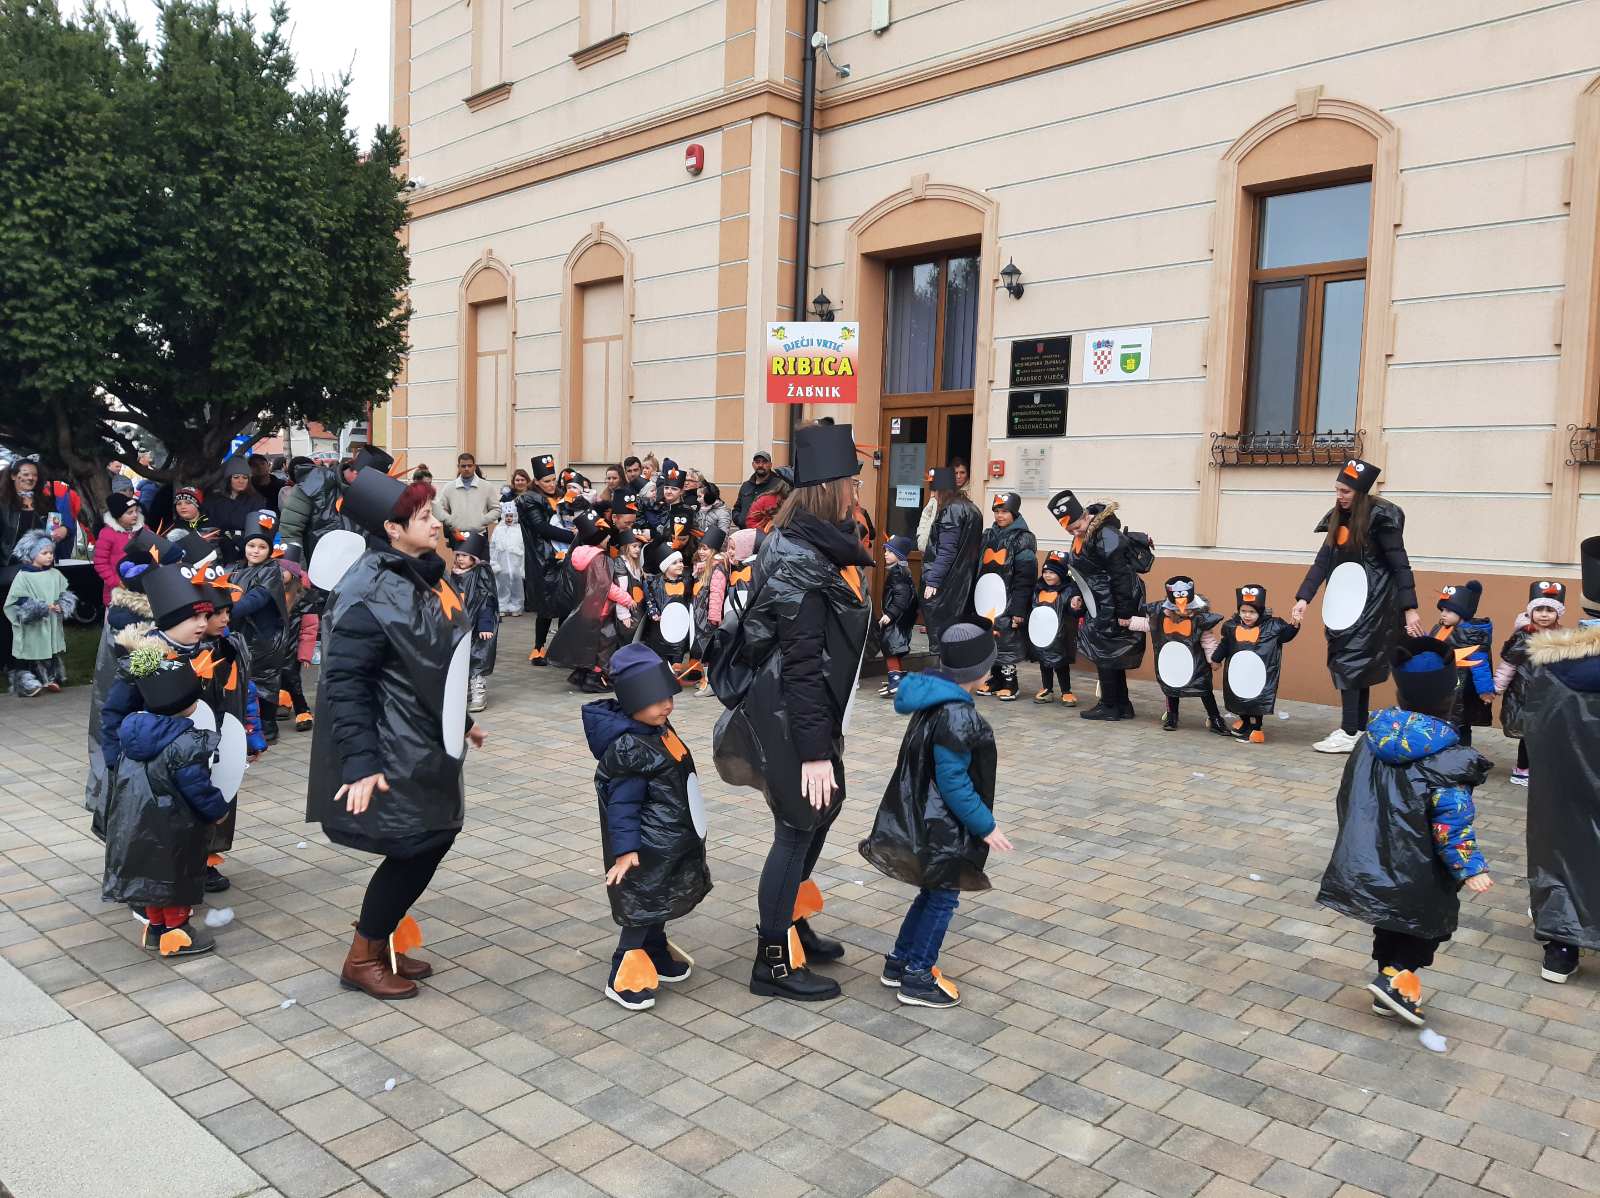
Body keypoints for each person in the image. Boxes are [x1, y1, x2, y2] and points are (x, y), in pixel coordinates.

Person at [306, 469, 488, 1000]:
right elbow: (344, 681)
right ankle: (362, 957)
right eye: (425, 516)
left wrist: (464, 720)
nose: (436, 523)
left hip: (424, 739)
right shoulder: (366, 591)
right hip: (394, 745)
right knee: (417, 844)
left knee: (433, 835)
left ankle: (380, 941)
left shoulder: (420, 573)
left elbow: (428, 660)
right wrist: (360, 761)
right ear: (391, 528)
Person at [713, 422, 872, 1002]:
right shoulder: (802, 559)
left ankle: (794, 921)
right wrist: (812, 751)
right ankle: (772, 962)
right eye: (852, 484)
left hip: (811, 709)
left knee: (825, 810)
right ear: (829, 488)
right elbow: (802, 662)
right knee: (797, 824)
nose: (858, 493)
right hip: (789, 712)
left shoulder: (814, 542)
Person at [1317, 636, 1493, 1025]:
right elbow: (1451, 820)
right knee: (1428, 928)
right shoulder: (1447, 758)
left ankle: (1389, 986)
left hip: (1377, 856)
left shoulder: (1370, 740)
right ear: (1449, 700)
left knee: (1390, 920)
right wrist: (1470, 867)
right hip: (1422, 867)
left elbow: (1349, 795)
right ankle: (1394, 979)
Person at [859, 623, 1014, 1008]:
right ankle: (917, 976)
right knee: (943, 898)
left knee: (932, 891)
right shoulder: (958, 714)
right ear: (980, 672)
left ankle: (899, 961)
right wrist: (987, 826)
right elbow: (954, 783)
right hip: (942, 824)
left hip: (924, 814)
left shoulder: (935, 700)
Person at [584, 644, 711, 1010]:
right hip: (647, 848)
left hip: (668, 841)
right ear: (632, 701)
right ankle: (623, 971)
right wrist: (625, 851)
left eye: (668, 697)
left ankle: (655, 951)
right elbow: (622, 805)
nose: (666, 706)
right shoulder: (630, 747)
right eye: (656, 701)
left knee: (658, 901)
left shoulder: (655, 729)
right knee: (643, 905)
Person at [100, 656, 229, 957]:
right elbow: (197, 787)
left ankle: (155, 929)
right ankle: (177, 933)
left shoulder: (130, 736)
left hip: (136, 823)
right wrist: (218, 810)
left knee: (151, 879)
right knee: (175, 880)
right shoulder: (183, 742)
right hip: (173, 826)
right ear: (184, 704)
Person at [1292, 459, 1420, 755]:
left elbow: (1401, 565)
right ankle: (1356, 728)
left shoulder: (1380, 519)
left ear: (1361, 492)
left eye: (1346, 491)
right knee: (1351, 665)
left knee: (1352, 663)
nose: (1340, 496)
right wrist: (1303, 598)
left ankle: (1350, 731)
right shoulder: (1338, 519)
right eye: (1337, 490)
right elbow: (1322, 562)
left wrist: (1409, 608)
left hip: (1373, 603)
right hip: (1344, 600)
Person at [1521, 538, 1599, 984]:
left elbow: (1536, 727)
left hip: (1565, 790)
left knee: (1564, 847)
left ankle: (1562, 947)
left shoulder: (1553, 658)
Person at [1049, 489, 1146, 721]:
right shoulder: (1086, 534)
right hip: (1099, 601)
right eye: (1070, 530)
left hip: (1112, 602)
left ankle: (1110, 705)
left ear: (1085, 516)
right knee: (1110, 653)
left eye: (1075, 526)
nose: (1074, 532)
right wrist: (1078, 595)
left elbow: (1121, 576)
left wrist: (1124, 612)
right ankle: (1122, 704)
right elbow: (1082, 572)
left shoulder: (1106, 535)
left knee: (1106, 652)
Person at [547, 514, 635, 692]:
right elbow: (605, 585)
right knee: (605, 644)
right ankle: (594, 678)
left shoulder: (580, 555)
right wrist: (626, 599)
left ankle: (581, 674)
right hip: (601, 608)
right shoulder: (599, 558)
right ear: (598, 539)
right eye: (606, 536)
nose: (609, 538)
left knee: (589, 643)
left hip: (587, 607)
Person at [1129, 576, 1226, 734]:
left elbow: (1208, 641)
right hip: (1172, 662)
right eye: (1178, 609)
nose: (1184, 612)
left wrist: (1213, 659)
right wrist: (1130, 622)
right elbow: (1149, 624)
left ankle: (1215, 717)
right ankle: (1172, 715)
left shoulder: (1199, 620)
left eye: (1188, 608)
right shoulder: (1161, 617)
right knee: (1171, 688)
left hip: (1195, 663)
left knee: (1204, 688)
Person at [1494, 580, 1566, 785]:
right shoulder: (1523, 636)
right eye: (1540, 609)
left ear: (1558, 614)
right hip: (1524, 693)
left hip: (1550, 694)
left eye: (1550, 610)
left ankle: (1541, 767)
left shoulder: (1562, 636)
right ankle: (1522, 769)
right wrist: (1498, 687)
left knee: (1545, 733)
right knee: (1528, 734)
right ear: (1531, 612)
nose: (1544, 614)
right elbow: (1509, 664)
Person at [230, 512, 291, 744]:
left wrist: (226, 610)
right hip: (242, 635)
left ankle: (268, 725)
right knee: (244, 680)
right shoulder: (235, 568)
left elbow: (257, 598)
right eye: (251, 545)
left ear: (269, 550)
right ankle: (248, 725)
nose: (255, 551)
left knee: (263, 682)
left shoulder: (271, 571)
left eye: (261, 547)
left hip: (264, 638)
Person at [1212, 584, 1298, 742]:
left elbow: (1285, 636)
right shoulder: (1232, 627)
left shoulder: (1272, 626)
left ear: (1260, 612)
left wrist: (1294, 625)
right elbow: (1225, 644)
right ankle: (1244, 722)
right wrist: (1216, 659)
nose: (1247, 615)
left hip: (1258, 674)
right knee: (1238, 697)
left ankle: (1256, 729)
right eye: (1243, 611)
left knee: (1256, 700)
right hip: (1239, 673)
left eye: (1252, 612)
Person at [972, 492, 1036, 700]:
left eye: (1004, 512)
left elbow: (1025, 576)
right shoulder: (988, 535)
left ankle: (1010, 681)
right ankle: (995, 678)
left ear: (1014, 513)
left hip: (1008, 599)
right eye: (997, 512)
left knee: (1007, 639)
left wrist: (1019, 608)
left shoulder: (1023, 538)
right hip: (988, 598)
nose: (1000, 516)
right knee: (990, 638)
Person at [516, 455, 577, 662]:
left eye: (553, 480)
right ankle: (538, 648)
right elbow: (541, 528)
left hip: (565, 556)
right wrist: (574, 536)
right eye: (546, 481)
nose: (551, 485)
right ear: (537, 481)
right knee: (545, 605)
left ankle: (562, 646)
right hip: (544, 559)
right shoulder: (529, 499)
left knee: (566, 602)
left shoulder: (561, 495)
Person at [279, 446, 393, 556]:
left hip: (360, 568)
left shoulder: (371, 496)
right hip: (316, 568)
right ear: (357, 473)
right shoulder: (313, 483)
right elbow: (290, 530)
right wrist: (294, 569)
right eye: (373, 481)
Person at [6, 531, 77, 696]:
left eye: (51, 552)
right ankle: (26, 682)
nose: (49, 556)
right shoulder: (23, 577)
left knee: (49, 649)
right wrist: (39, 608)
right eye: (44, 553)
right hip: (33, 625)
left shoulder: (54, 575)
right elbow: (16, 601)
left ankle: (50, 678)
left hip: (50, 623)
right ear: (31, 554)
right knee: (31, 650)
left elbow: (64, 592)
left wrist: (62, 604)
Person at [919, 467, 981, 654]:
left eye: (934, 489)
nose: (933, 494)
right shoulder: (971, 507)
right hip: (964, 581)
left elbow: (947, 549)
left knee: (945, 640)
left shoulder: (951, 510)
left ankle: (947, 678)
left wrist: (933, 580)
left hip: (949, 586)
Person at [1426, 581, 1494, 748]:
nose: (1443, 614)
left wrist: (1485, 690)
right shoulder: (1440, 629)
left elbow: (1480, 665)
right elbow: (1430, 650)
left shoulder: (1473, 635)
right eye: (1442, 610)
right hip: (1443, 686)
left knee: (1461, 724)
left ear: (1462, 614)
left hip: (1463, 690)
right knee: (1441, 722)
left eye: (1449, 611)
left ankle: (1463, 755)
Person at [451, 530, 498, 713]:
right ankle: (463, 691)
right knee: (459, 659)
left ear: (474, 558)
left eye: (465, 555)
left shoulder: (481, 575)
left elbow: (487, 601)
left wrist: (485, 625)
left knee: (477, 658)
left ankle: (478, 690)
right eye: (459, 555)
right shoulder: (453, 574)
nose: (461, 559)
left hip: (477, 626)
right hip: (458, 625)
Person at [0, 458, 77, 563]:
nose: (31, 478)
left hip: (40, 565)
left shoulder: (44, 503)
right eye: (26, 474)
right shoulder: (3, 504)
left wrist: (65, 530)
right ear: (13, 476)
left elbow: (57, 526)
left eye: (35, 475)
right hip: (8, 566)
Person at [1028, 551, 1078, 706]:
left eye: (1052, 572)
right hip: (1042, 634)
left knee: (1061, 664)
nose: (1048, 576)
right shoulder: (1038, 589)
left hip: (1060, 636)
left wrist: (1075, 606)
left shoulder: (1068, 590)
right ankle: (1047, 688)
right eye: (1045, 572)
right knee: (1044, 662)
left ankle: (1066, 691)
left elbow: (1073, 610)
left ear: (1061, 574)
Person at [279, 552, 317, 731]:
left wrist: (305, 654)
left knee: (292, 678)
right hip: (273, 647)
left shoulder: (303, 598)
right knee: (276, 678)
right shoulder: (270, 591)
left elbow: (309, 629)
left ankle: (303, 710)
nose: (279, 573)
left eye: (283, 570)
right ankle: (283, 700)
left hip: (293, 649)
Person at [877, 534, 917, 698]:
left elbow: (902, 596)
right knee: (893, 648)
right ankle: (898, 680)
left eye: (890, 552)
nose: (886, 554)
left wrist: (890, 614)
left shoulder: (898, 573)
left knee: (891, 648)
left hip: (897, 619)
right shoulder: (897, 571)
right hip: (899, 619)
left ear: (899, 555)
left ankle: (895, 681)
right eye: (885, 550)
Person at [204, 458, 266, 562]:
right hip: (216, 549)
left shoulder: (257, 500)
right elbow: (207, 524)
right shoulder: (214, 500)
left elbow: (257, 528)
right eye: (236, 477)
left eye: (245, 477)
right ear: (229, 479)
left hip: (245, 550)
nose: (241, 481)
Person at [433, 452, 500, 540]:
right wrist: (451, 521)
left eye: (469, 465)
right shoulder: (449, 487)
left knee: (479, 554)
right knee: (459, 554)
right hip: (457, 534)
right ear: (458, 467)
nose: (466, 468)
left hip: (479, 534)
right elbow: (440, 509)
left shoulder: (486, 486)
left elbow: (496, 509)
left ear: (474, 467)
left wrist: (482, 520)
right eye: (463, 466)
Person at [93, 493, 145, 606]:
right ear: (118, 516)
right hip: (118, 589)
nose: (135, 515)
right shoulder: (107, 534)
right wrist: (116, 581)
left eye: (136, 511)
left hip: (142, 586)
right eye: (130, 512)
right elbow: (100, 562)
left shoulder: (144, 530)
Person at [917, 458, 968, 551]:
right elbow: (927, 518)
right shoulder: (938, 498)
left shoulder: (965, 501)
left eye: (962, 472)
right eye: (955, 473)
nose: (959, 476)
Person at [731, 450, 784, 528]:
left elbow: (784, 509)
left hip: (766, 534)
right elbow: (737, 508)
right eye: (757, 462)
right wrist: (740, 520)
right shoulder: (746, 485)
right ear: (753, 464)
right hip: (745, 532)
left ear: (770, 465)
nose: (760, 465)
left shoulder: (778, 485)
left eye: (764, 462)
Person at [490, 502, 525, 617]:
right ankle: (502, 605)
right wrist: (494, 562)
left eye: (511, 516)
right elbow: (493, 546)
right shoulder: (498, 529)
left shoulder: (519, 530)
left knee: (516, 583)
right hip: (502, 562)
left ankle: (516, 606)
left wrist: (522, 566)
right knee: (502, 583)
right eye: (507, 516)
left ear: (515, 516)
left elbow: (523, 547)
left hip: (516, 562)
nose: (509, 518)